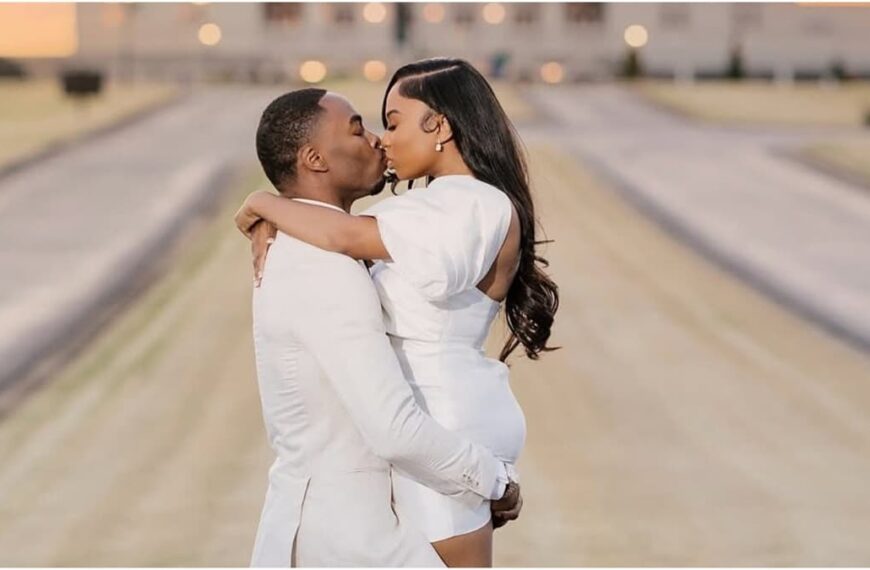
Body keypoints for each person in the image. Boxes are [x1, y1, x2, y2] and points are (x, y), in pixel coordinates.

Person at [237, 58, 558, 566]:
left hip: (442, 419)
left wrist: (264, 203)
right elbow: (341, 231)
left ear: (440, 127)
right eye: (367, 126)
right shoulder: (427, 209)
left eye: (391, 122)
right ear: (316, 158)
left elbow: (346, 234)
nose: (381, 140)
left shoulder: (471, 205)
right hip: (432, 428)